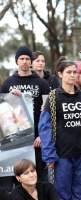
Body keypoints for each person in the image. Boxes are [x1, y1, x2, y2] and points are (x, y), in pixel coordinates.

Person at [39, 58, 81, 200]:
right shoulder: (54, 97)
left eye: (74, 72)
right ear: (60, 74)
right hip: (62, 156)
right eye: (68, 72)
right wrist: (49, 155)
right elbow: (45, 127)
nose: (72, 75)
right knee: (62, 194)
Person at [0, 47, 50, 191]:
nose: (24, 61)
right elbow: (3, 110)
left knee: (39, 176)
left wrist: (42, 134)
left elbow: (48, 110)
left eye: (27, 59)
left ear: (31, 62)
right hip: (15, 138)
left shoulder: (42, 83)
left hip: (37, 139)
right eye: (21, 58)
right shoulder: (8, 83)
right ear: (17, 61)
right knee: (18, 174)